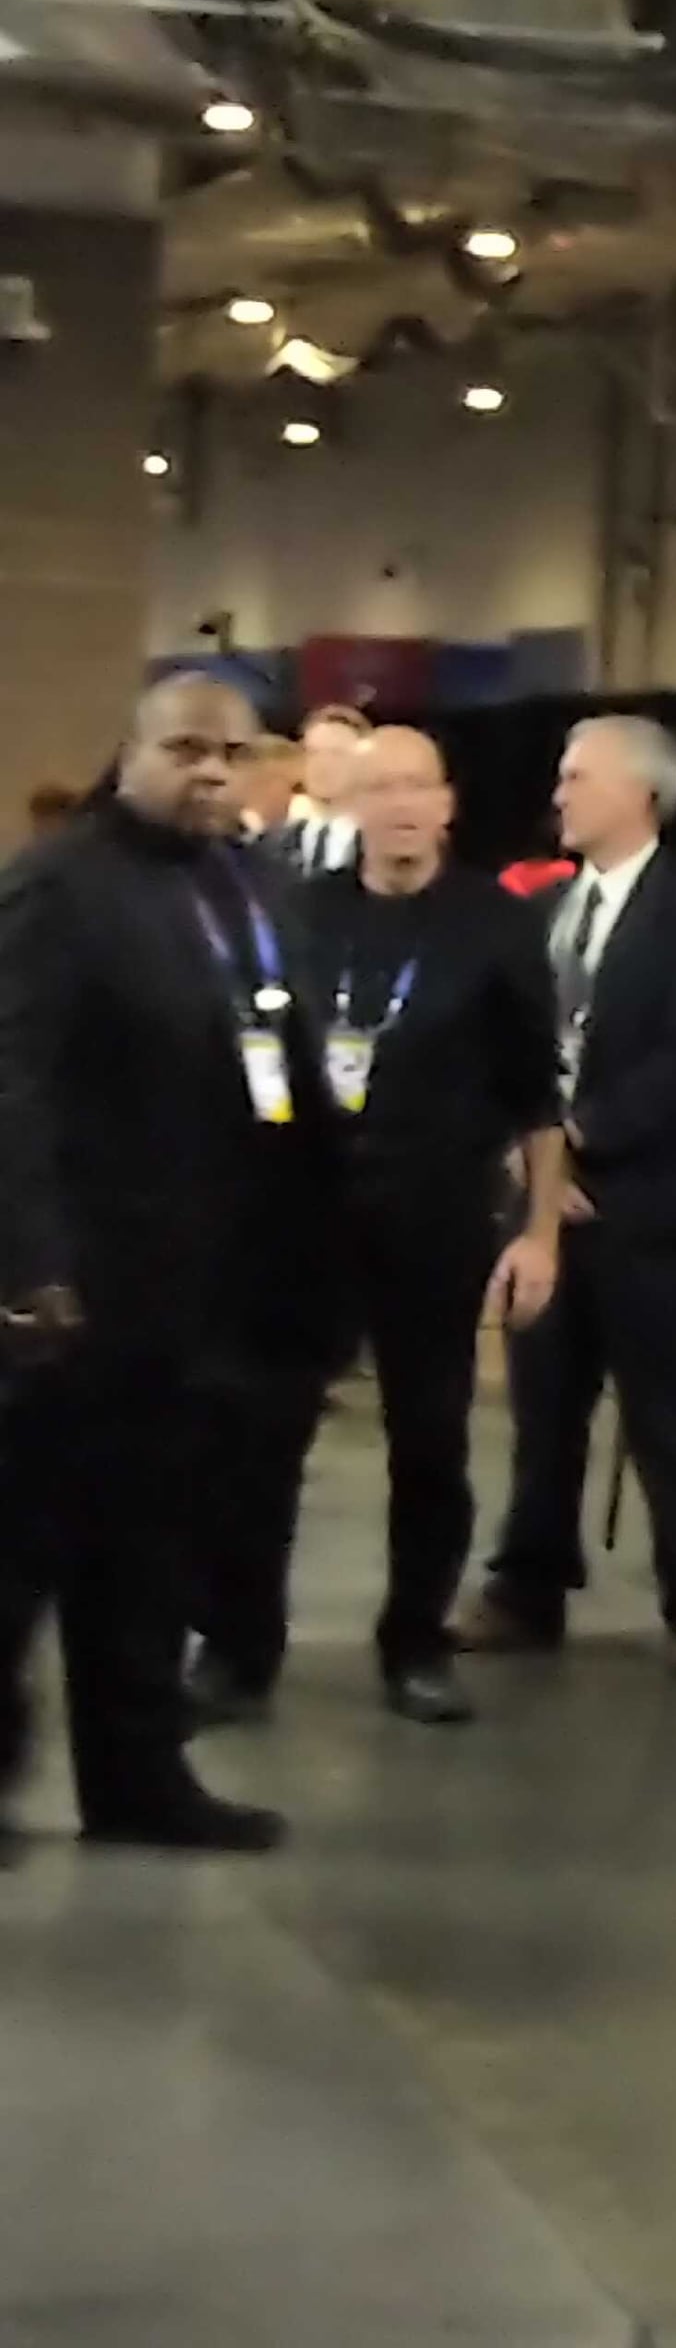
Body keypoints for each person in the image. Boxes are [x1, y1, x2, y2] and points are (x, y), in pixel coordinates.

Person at [187, 727, 565, 1728]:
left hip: (435, 1219)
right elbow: (254, 1049)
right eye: (379, 787)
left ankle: (415, 1645)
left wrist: (540, 1233)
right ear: (348, 805)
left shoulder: (495, 924)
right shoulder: (298, 912)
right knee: (261, 1441)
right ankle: (237, 1651)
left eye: (417, 787)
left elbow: (537, 1094)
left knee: (429, 1441)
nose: (400, 805)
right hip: (302, 1219)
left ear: (446, 804)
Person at [0, 673, 314, 1853]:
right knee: (20, 1550)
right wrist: (29, 1261)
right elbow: (10, 1083)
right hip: (75, 1292)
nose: (211, 772)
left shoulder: (245, 886)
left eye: (232, 753)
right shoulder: (58, 885)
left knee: (149, 1550)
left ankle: (137, 1782)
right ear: (128, 752)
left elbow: (272, 1065)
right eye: (185, 749)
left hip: (200, 1286)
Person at [460, 716, 676, 1673]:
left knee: (670, 1415)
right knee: (543, 1415)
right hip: (547, 1215)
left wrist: (575, 1146)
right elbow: (509, 1048)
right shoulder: (544, 909)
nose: (559, 794)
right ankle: (528, 1588)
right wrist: (530, 1156)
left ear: (641, 792)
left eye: (579, 776)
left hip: (652, 1210)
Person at [270, 701, 373, 879]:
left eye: (337, 754)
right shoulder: (273, 844)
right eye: (313, 753)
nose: (322, 765)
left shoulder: (380, 845)